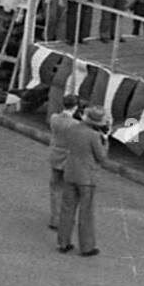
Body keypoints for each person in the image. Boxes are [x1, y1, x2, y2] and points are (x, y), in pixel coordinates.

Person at [56, 105, 109, 255]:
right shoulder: (94, 136)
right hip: (87, 177)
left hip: (70, 172)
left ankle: (63, 242)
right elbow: (102, 157)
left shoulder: (72, 129)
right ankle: (87, 247)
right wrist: (105, 141)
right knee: (86, 213)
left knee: (67, 209)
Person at [48, 94, 81, 233]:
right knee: (68, 190)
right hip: (69, 159)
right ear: (76, 107)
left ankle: (54, 218)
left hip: (55, 155)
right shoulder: (76, 124)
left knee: (55, 188)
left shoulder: (54, 118)